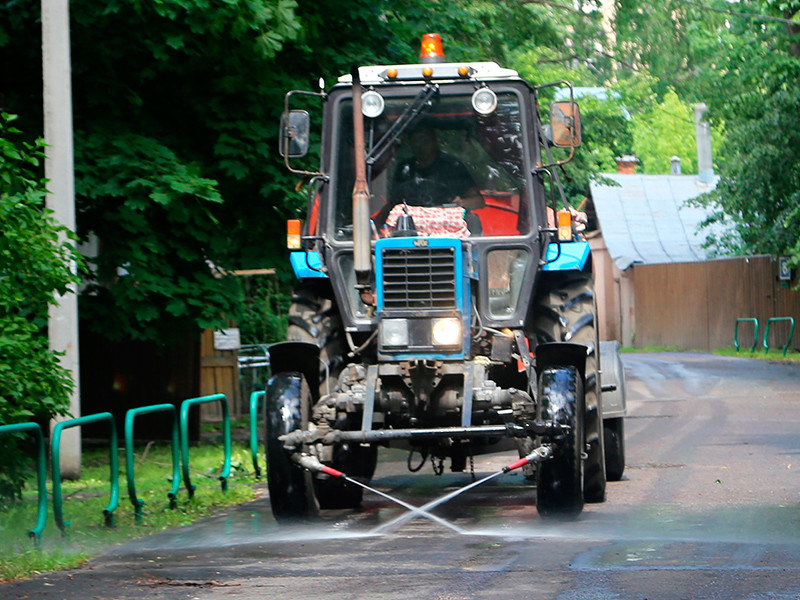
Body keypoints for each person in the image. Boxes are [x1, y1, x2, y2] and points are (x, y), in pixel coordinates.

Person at [390, 127, 485, 210]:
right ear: (410, 144)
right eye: (416, 141)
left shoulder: (452, 166)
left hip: (446, 220)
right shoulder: (403, 169)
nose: (420, 145)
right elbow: (393, 203)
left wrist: (459, 204)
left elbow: (478, 201)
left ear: (434, 141)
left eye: (424, 140)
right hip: (409, 222)